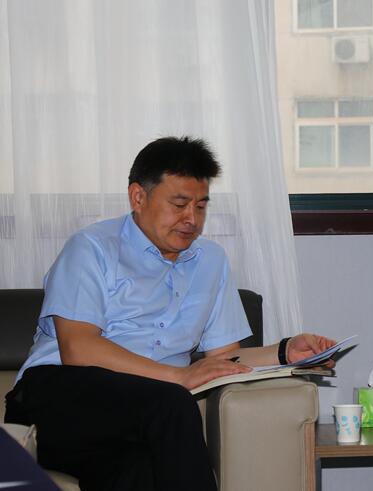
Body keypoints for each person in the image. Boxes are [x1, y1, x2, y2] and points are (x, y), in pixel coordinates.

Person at [4, 136, 336, 491]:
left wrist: (285, 352)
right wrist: (178, 376)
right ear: (138, 197)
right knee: (172, 402)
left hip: (138, 414)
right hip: (56, 400)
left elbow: (224, 359)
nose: (191, 219)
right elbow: (78, 348)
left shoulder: (211, 261)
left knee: (138, 469)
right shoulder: (92, 248)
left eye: (201, 206)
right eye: (179, 204)